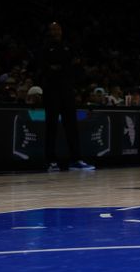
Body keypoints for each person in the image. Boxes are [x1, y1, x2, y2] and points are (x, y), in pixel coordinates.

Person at [37, 22, 95, 171]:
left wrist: (60, 66)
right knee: (52, 126)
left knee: (72, 126)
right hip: (51, 91)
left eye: (58, 29)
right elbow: (46, 68)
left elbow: (75, 65)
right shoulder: (45, 47)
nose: (56, 31)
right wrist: (65, 65)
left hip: (67, 91)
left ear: (62, 31)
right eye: (53, 29)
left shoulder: (68, 46)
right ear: (49, 32)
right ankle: (51, 161)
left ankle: (76, 160)